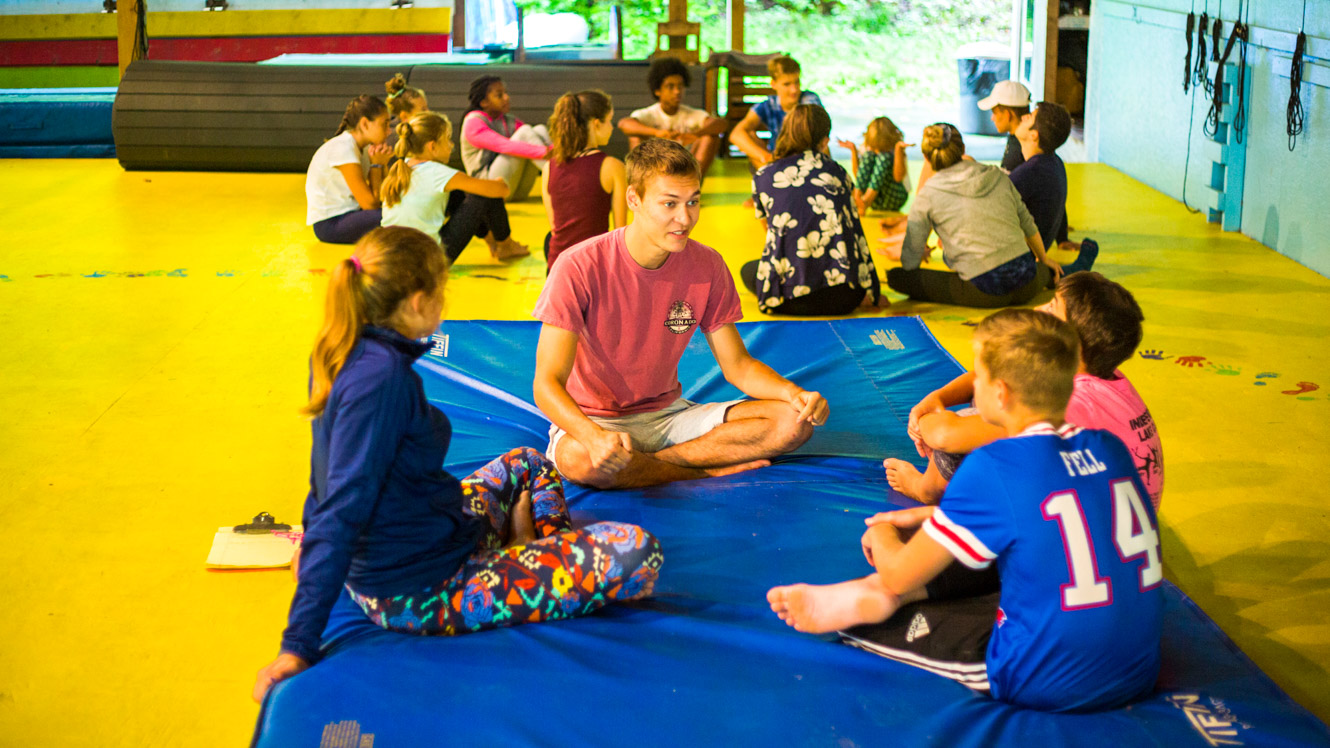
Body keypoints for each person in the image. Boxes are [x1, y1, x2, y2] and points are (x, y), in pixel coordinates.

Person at [252, 226, 663, 703]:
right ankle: (524, 555)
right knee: (637, 551)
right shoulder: (380, 379)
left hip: (444, 530)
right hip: (421, 589)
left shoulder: (346, 348)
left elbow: (323, 476)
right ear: (418, 302)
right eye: (443, 292)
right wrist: (297, 644)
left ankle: (532, 550)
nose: (446, 304)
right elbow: (340, 504)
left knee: (529, 462)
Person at [768, 308, 1163, 713]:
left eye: (979, 375)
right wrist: (929, 519)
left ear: (1001, 393)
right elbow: (1045, 516)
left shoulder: (996, 464)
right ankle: (893, 590)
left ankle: (876, 603)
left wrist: (883, 533)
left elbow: (899, 572)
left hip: (1054, 677)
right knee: (998, 548)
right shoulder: (1107, 446)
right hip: (1141, 661)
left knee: (878, 610)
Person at [532, 139, 830, 489]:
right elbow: (546, 382)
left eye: (693, 202)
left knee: (793, 423)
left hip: (669, 417)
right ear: (634, 199)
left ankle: (647, 467)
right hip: (597, 420)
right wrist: (593, 436)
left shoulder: (708, 264)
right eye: (669, 204)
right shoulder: (578, 265)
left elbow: (738, 366)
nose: (685, 218)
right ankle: (700, 469)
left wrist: (794, 394)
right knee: (581, 461)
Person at [887, 272, 1163, 509]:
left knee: (979, 424)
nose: (1039, 309)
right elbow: (988, 374)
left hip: (1086, 534)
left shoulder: (1070, 402)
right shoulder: (1099, 373)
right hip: (1118, 513)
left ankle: (925, 489)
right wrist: (938, 398)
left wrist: (925, 419)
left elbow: (947, 436)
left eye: (1052, 308)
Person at [885, 123, 1096, 308]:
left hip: (983, 292)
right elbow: (1027, 223)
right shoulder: (996, 174)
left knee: (898, 278)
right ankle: (1065, 273)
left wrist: (918, 255)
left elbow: (910, 260)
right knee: (1044, 270)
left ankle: (1058, 272)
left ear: (925, 157)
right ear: (963, 149)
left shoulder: (929, 193)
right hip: (1027, 283)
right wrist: (1044, 258)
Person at [743, 104, 884, 316]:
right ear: (825, 141)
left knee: (748, 270)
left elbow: (772, 235)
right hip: (844, 298)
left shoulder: (763, 176)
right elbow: (854, 234)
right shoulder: (837, 173)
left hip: (785, 300)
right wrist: (870, 289)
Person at [379, 111, 529, 263]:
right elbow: (501, 191)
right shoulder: (439, 173)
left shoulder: (401, 167)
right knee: (482, 195)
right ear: (432, 147)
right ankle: (506, 245)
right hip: (429, 263)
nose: (451, 145)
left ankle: (493, 242)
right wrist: (500, 183)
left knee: (458, 193)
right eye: (447, 140)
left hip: (392, 259)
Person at [542, 90, 628, 273]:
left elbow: (556, 228)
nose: (612, 127)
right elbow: (621, 235)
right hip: (593, 270)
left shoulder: (549, 168)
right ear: (596, 124)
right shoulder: (613, 167)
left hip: (557, 269)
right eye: (610, 121)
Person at [617, 57, 727, 181]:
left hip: (685, 169)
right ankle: (641, 184)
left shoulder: (691, 113)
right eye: (670, 86)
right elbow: (624, 124)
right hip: (655, 170)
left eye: (680, 86)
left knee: (710, 136)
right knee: (635, 136)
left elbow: (720, 124)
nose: (677, 91)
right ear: (658, 90)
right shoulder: (649, 114)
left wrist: (694, 134)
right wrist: (658, 133)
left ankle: (694, 184)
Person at [305, 95, 392, 245]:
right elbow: (370, 205)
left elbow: (382, 197)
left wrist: (382, 164)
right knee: (399, 216)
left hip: (351, 216)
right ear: (365, 124)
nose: (389, 131)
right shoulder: (343, 148)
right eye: (384, 124)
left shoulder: (363, 149)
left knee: (400, 210)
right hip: (331, 224)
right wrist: (376, 166)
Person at [460, 75, 553, 203]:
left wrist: (554, 149)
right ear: (483, 103)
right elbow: (503, 145)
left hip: (514, 190)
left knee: (539, 129)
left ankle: (562, 173)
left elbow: (532, 139)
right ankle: (563, 179)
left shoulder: (507, 120)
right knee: (525, 132)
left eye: (506, 93)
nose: (506, 98)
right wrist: (546, 151)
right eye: (499, 95)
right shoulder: (473, 122)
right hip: (489, 191)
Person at [1010, 101, 1080, 251]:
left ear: (1033, 135)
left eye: (1029, 118)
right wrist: (1062, 238)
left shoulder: (1029, 173)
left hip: (1018, 259)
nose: (1022, 118)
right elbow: (1058, 202)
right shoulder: (1055, 162)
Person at [729, 56, 824, 169]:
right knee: (749, 135)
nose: (794, 90)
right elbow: (736, 135)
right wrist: (766, 157)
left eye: (796, 82)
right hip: (777, 160)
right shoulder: (768, 105)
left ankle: (771, 177)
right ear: (773, 84)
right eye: (787, 84)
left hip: (808, 160)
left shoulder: (809, 101)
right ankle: (772, 173)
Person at [836, 116, 910, 217]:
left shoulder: (893, 151)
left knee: (884, 157)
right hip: (876, 201)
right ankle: (858, 200)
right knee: (868, 156)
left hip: (895, 197)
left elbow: (898, 177)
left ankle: (865, 201)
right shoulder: (868, 150)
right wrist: (854, 151)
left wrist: (898, 150)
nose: (876, 151)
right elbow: (859, 175)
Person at [978, 79, 1031, 173]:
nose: (992, 118)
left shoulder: (1022, 147)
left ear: (1007, 115)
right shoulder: (1019, 139)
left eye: (994, 113)